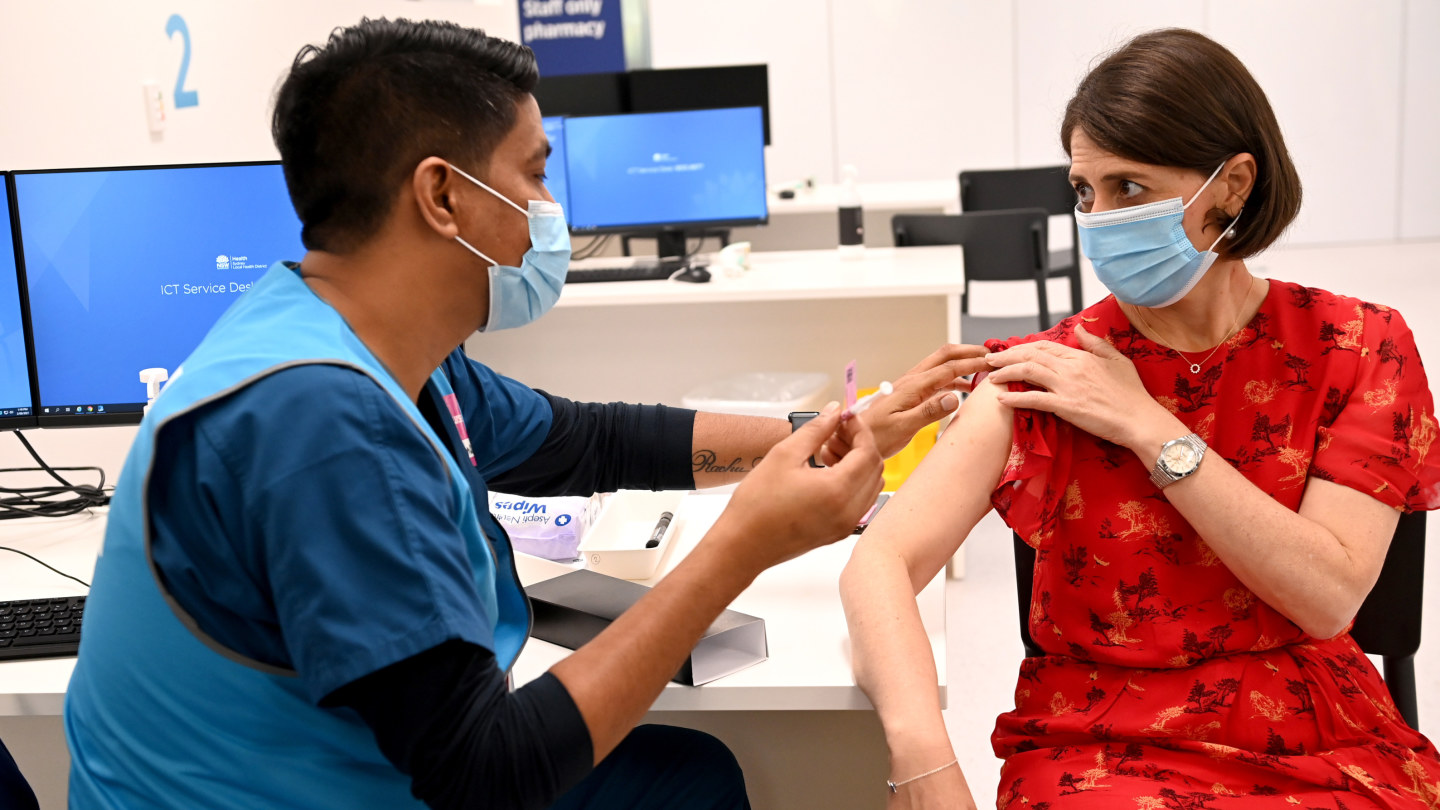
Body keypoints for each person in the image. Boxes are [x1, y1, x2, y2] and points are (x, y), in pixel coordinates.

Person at [62, 18, 988, 810]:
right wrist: (742, 544)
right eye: (535, 177)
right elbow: (485, 776)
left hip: (329, 770)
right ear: (442, 195)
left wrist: (839, 427)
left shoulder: (352, 336)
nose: (549, 213)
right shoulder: (321, 424)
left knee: (686, 775)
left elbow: (590, 440)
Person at [842, 27, 1440, 809]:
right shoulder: (1048, 374)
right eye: (1085, 191)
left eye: (1130, 188)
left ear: (1231, 187)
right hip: (1099, 742)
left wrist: (1146, 424)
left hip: (1309, 727)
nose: (1098, 219)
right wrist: (924, 757)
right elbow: (879, 565)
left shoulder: (1359, 347)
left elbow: (1328, 598)